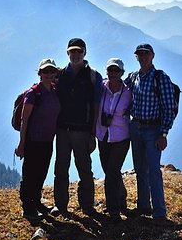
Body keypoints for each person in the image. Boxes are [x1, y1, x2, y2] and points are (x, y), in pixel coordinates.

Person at [125, 44, 176, 221]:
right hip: (136, 127)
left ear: (152, 56)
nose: (143, 57)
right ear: (136, 57)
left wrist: (163, 134)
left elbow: (169, 108)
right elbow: (116, 87)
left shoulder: (160, 78)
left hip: (153, 129)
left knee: (154, 170)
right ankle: (144, 206)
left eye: (146, 54)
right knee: (140, 169)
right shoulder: (133, 77)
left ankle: (159, 212)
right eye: (140, 54)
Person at [53, 38, 103, 216]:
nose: (75, 55)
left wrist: (92, 133)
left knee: (84, 169)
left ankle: (87, 205)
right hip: (62, 129)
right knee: (61, 168)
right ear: (67, 53)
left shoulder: (94, 77)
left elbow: (97, 105)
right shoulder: (59, 75)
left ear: (85, 53)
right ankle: (60, 205)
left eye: (78, 52)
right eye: (72, 52)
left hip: (82, 130)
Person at [15, 58, 61, 222]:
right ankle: (28, 207)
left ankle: (36, 202)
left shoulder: (54, 90)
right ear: (39, 73)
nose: (48, 74)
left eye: (51, 71)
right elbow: (24, 120)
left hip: (47, 140)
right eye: (45, 71)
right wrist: (22, 144)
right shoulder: (33, 93)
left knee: (41, 172)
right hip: (33, 140)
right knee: (30, 174)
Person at [95, 58, 132, 223]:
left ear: (122, 73)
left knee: (111, 172)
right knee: (111, 172)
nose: (113, 73)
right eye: (110, 70)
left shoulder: (128, 92)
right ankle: (121, 199)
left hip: (121, 138)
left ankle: (113, 210)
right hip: (102, 136)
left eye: (116, 71)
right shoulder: (100, 88)